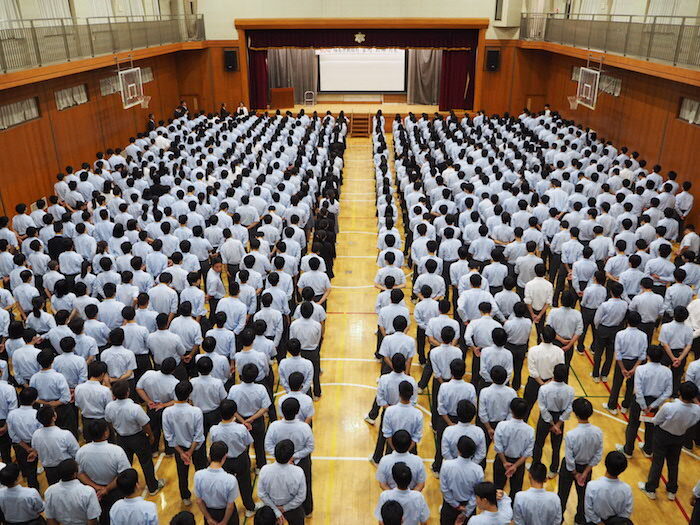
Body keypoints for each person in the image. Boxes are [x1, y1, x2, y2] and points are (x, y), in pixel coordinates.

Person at [639, 381, 700, 500]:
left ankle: (651, 488)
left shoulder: (669, 407)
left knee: (658, 462)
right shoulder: (696, 410)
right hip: (679, 436)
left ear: (679, 392)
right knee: (673, 463)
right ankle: (672, 490)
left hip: (662, 435)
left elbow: (656, 420)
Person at [104, 379, 165, 496]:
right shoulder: (135, 408)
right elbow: (145, 424)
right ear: (128, 392)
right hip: (137, 438)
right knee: (146, 462)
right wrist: (151, 435)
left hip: (121, 438)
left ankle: (126, 488)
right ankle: (153, 487)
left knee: (125, 465)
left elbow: (109, 422)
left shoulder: (109, 407)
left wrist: (117, 430)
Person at [617, 345, 672, 458]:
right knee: (650, 426)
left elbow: (638, 389)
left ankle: (628, 450)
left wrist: (643, 405)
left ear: (647, 356)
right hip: (654, 402)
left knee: (633, 425)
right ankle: (648, 449)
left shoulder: (641, 369)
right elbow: (668, 391)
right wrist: (653, 405)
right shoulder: (667, 371)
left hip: (640, 402)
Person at [76, 419, 131, 524]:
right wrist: (106, 489)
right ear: (106, 432)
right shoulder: (116, 451)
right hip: (115, 490)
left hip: (94, 492)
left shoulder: (81, 451)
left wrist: (97, 487)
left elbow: (80, 474)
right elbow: (124, 474)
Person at [558, 398, 603, 525]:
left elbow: (569, 458)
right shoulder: (598, 432)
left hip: (570, 470)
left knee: (562, 495)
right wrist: (584, 473)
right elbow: (598, 455)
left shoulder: (572, 434)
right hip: (586, 468)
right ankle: (580, 520)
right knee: (583, 496)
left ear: (575, 413)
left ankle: (559, 519)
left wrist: (575, 473)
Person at [162, 380, 207, 506]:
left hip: (179, 448)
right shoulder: (196, 411)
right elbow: (198, 436)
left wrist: (182, 453)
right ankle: (203, 494)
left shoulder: (167, 412)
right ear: (189, 394)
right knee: (201, 471)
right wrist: (190, 452)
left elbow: (168, 436)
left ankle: (185, 497)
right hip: (196, 447)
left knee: (182, 473)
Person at [210, 400, 257, 517]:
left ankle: (228, 509)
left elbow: (214, 444)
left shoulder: (214, 429)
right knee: (245, 483)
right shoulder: (241, 429)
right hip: (240, 458)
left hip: (224, 460)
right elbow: (249, 442)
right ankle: (249, 507)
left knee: (225, 485)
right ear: (234, 413)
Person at [532, 363, 574, 478]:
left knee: (539, 443)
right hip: (560, 418)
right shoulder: (570, 390)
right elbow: (569, 408)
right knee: (556, 447)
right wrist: (558, 424)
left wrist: (551, 423)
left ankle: (534, 467)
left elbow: (542, 407)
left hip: (546, 418)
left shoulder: (544, 388)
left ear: (553, 373)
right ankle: (554, 469)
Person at [603, 311, 647, 415]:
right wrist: (635, 368)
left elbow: (617, 354)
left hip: (622, 362)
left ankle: (612, 406)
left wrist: (622, 368)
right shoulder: (643, 336)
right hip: (636, 362)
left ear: (627, 320)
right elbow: (643, 354)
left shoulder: (620, 334)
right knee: (631, 386)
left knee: (617, 384)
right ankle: (625, 406)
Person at [257, 440, 307, 525]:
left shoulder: (265, 470)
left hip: (271, 508)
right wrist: (284, 508)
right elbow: (301, 497)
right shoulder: (298, 472)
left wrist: (276, 510)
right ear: (291, 456)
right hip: (293, 509)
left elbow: (262, 494)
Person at [493, 398, 534, 499]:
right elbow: (527, 452)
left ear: (511, 410)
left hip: (502, 460)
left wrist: (504, 462)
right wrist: (515, 466)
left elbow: (498, 447)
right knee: (516, 492)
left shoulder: (502, 425)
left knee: (497, 489)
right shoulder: (530, 430)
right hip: (518, 463)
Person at [439, 436, 484, 524]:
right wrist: (466, 511)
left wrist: (456, 505)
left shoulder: (446, 465)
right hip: (468, 507)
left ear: (458, 449)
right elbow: (476, 493)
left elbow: (444, 489)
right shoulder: (478, 470)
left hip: (449, 507)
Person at [194, 441, 240, 525]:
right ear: (224, 457)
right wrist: (224, 522)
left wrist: (209, 518)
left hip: (210, 512)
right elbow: (230, 506)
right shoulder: (230, 479)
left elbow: (199, 501)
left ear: (209, 456)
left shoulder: (198, 476)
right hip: (226, 513)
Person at [31, 405, 79, 486]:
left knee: (54, 487)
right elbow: (76, 452)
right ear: (54, 417)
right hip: (66, 468)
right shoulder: (65, 434)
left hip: (48, 469)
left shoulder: (36, 434)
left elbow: (35, 449)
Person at [523, 327, 564, 421]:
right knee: (548, 411)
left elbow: (532, 370)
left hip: (534, 382)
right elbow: (560, 369)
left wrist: (542, 384)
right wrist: (549, 382)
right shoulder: (559, 352)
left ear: (541, 336)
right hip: (552, 383)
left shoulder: (533, 350)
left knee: (527, 407)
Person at [44, 459, 101, 525]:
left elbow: (50, 519)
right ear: (75, 474)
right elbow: (92, 520)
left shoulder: (50, 491)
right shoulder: (88, 492)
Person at [6, 387, 41, 489]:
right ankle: (33, 490)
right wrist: (32, 449)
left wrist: (25, 447)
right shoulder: (36, 414)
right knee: (32, 470)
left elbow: (12, 435)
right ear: (34, 400)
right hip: (33, 445)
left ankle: (25, 476)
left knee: (22, 463)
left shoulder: (12, 414)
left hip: (19, 444)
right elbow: (39, 433)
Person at [584, 452, 633, 524]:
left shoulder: (592, 486)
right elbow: (627, 512)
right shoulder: (627, 489)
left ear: (606, 463)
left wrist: (599, 522)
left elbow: (588, 509)